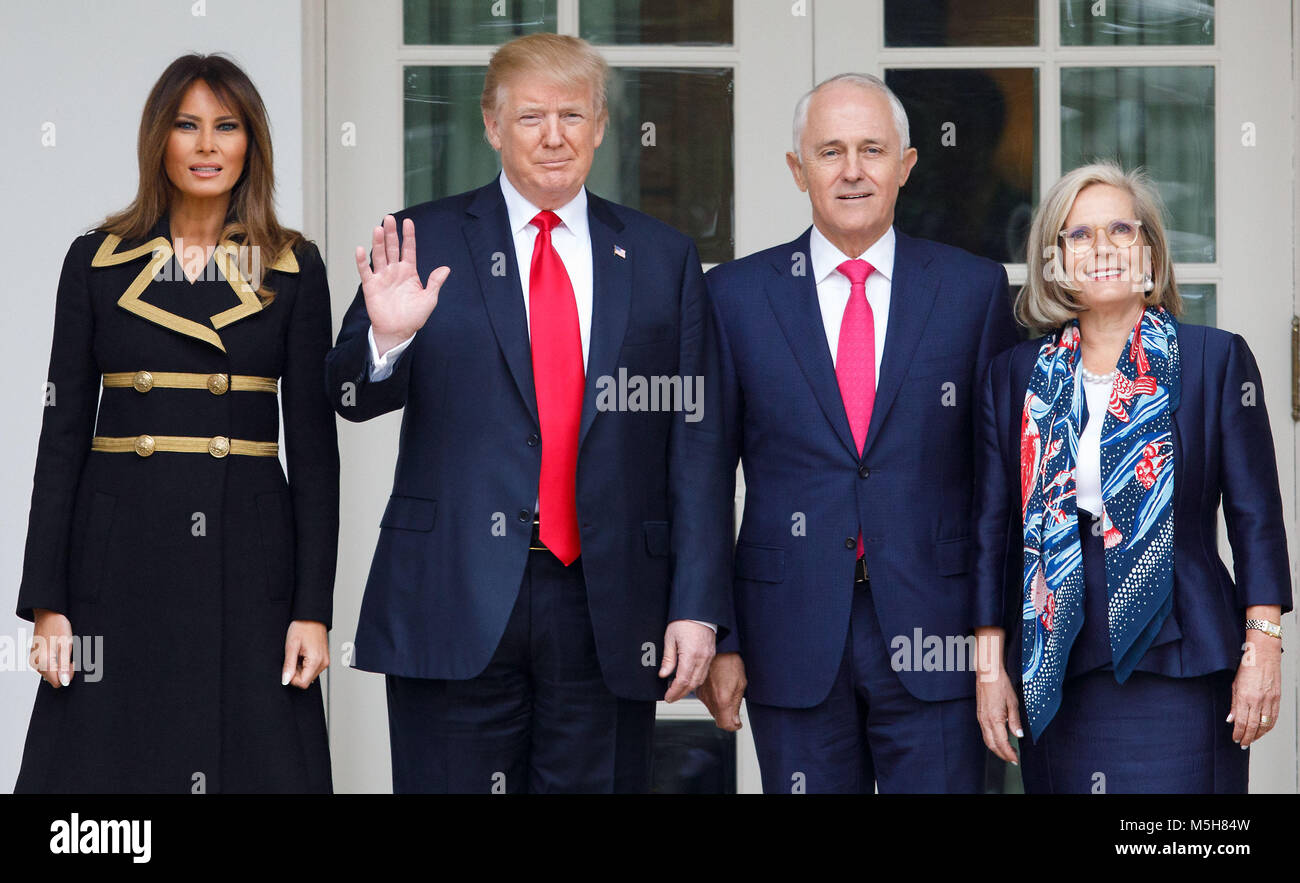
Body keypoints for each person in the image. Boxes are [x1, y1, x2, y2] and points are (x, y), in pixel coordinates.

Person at [325, 33, 732, 793]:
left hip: (607, 605)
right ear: (491, 125)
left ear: (602, 126)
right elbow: (348, 397)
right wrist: (386, 336)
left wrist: (699, 606)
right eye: (532, 117)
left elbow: (697, 445)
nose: (554, 137)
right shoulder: (425, 238)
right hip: (453, 594)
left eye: (573, 116)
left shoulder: (659, 256)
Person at [14, 54, 338, 793]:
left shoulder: (293, 267)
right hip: (118, 562)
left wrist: (312, 609)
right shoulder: (96, 260)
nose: (206, 146)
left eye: (226, 127)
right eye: (187, 126)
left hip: (251, 564)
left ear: (250, 143)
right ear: (159, 138)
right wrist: (49, 600)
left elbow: (316, 456)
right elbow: (60, 439)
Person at [696, 73, 1018, 793]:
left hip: (940, 630)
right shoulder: (735, 297)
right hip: (790, 631)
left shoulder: (972, 290)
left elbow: (999, 481)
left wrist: (996, 639)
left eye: (872, 149)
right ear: (797, 169)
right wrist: (722, 634)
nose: (851, 170)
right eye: (830, 150)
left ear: (905, 165)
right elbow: (703, 478)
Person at [972, 161, 1290, 793]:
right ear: (1054, 259)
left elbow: (1256, 518)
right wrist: (988, 668)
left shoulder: (1213, 359)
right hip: (1056, 661)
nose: (1104, 248)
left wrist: (1265, 647)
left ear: (1149, 248)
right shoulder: (1015, 375)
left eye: (1122, 228)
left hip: (1183, 659)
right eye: (1080, 235)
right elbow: (992, 530)